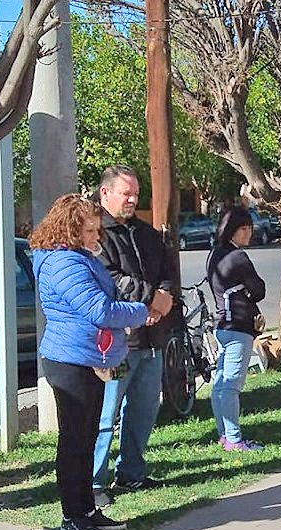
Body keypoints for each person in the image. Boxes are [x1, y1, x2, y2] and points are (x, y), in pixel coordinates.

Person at [31, 195, 149, 530]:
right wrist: (142, 312)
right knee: (74, 441)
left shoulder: (77, 257)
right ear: (70, 229)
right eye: (90, 230)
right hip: (70, 362)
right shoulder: (63, 263)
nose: (98, 236)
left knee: (86, 438)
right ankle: (73, 515)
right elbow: (99, 310)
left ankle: (87, 510)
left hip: (86, 358)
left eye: (98, 230)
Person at [92, 165, 175, 508]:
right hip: (117, 344)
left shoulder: (146, 233)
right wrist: (150, 299)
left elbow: (167, 271)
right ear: (105, 193)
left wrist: (163, 301)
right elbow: (111, 279)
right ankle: (93, 483)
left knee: (143, 411)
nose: (132, 200)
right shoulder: (97, 234)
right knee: (105, 417)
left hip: (152, 339)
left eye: (136, 194)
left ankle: (131, 473)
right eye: (126, 193)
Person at [207, 207, 266, 451]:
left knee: (220, 383)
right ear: (235, 230)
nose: (250, 233)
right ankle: (234, 439)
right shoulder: (238, 257)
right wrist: (249, 295)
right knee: (231, 386)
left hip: (221, 325)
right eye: (246, 229)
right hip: (238, 326)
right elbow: (259, 289)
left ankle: (224, 434)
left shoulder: (214, 254)